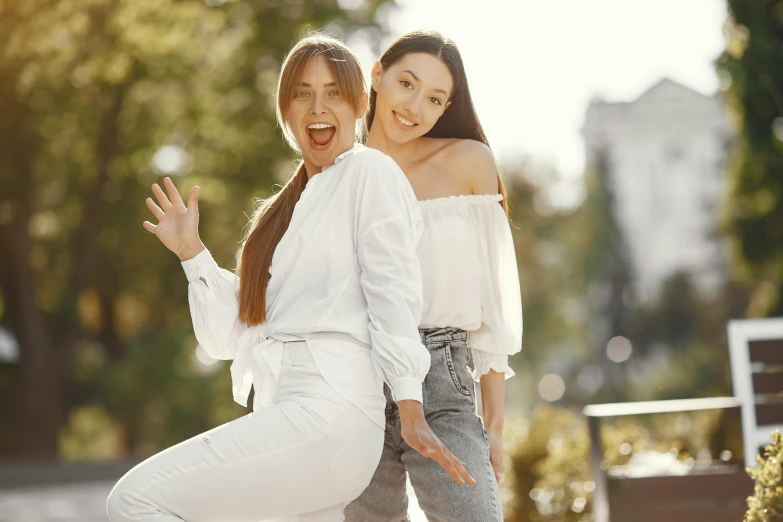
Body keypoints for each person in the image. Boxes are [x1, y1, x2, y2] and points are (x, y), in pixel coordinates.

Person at [106, 33, 474, 522]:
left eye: (334, 92)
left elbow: (393, 287)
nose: (317, 105)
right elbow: (229, 338)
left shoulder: (370, 172)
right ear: (285, 110)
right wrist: (192, 254)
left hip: (330, 409)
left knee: (135, 500)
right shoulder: (281, 215)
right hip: (287, 408)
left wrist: (410, 405)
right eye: (302, 92)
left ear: (360, 103)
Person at [344, 31, 523, 522]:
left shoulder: (468, 163)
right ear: (377, 74)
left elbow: (493, 303)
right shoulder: (336, 172)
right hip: (352, 377)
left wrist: (495, 423)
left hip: (440, 376)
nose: (415, 106)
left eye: (435, 99)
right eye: (407, 83)